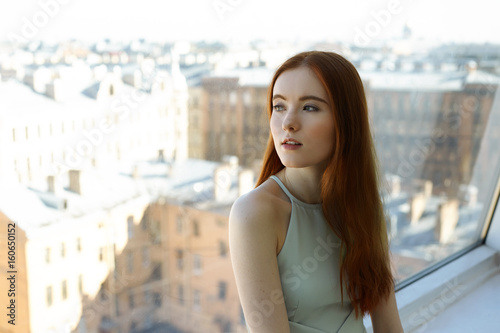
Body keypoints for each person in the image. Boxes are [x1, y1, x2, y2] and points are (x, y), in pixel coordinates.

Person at [229, 51, 404, 333]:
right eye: (279, 106)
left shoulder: (363, 206)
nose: (288, 123)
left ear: (345, 122)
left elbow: (389, 324)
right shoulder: (254, 214)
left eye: (309, 107)